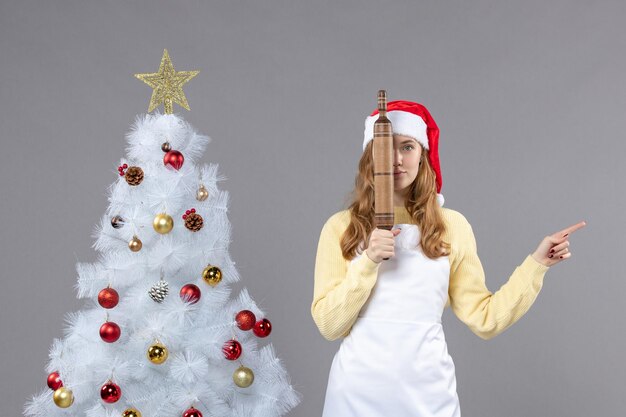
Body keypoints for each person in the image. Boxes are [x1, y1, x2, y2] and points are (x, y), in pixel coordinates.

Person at [311, 100, 586, 416]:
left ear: (423, 154)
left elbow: (485, 319)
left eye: (408, 147)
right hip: (355, 396)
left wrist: (536, 264)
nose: (397, 160)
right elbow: (328, 325)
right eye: (386, 147)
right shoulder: (341, 227)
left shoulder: (452, 226)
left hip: (428, 396)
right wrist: (368, 261)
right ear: (370, 156)